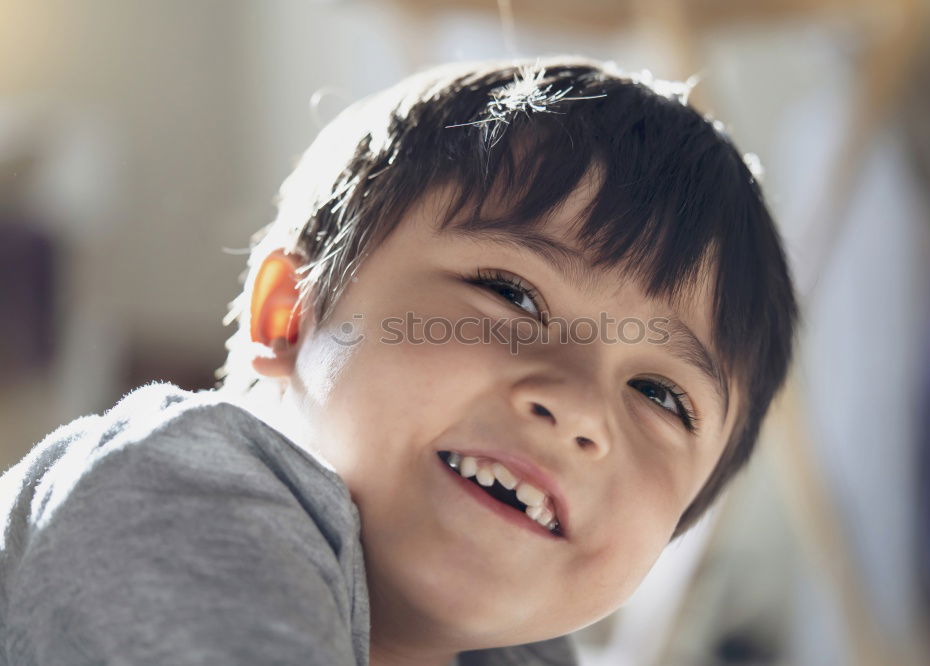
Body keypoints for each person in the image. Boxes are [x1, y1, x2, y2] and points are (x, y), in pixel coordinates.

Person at [0, 57, 799, 665]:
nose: (580, 406)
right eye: (510, 295)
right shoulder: (184, 488)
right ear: (290, 311)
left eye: (661, 393)